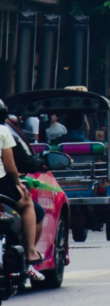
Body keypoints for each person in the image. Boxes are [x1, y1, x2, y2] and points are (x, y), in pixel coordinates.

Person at [0, 101, 41, 266]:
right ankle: (30, 252)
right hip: (2, 182)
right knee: (27, 202)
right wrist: (19, 183)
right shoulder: (3, 131)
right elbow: (10, 167)